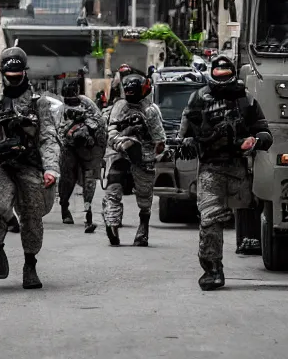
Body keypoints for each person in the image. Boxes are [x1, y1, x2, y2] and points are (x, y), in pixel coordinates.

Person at [178, 55, 272, 291]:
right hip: (210, 167)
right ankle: (213, 270)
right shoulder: (198, 98)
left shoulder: (245, 100)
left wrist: (255, 141)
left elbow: (264, 132)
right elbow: (184, 134)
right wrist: (188, 143)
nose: (222, 82)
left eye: (225, 76)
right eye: (218, 76)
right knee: (210, 219)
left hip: (240, 167)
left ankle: (251, 241)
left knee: (253, 210)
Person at [0, 47, 61, 289]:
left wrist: (50, 169)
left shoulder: (40, 104)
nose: (13, 79)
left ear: (24, 73)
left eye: (17, 74)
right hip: (4, 166)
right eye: (9, 74)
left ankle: (30, 264)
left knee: (32, 215)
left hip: (30, 167)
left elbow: (48, 138)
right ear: (2, 73)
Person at [103, 73, 166, 247]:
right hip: (120, 152)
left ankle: (143, 228)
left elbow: (159, 140)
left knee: (144, 197)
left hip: (143, 157)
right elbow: (111, 132)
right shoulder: (120, 106)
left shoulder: (150, 110)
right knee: (113, 189)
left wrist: (146, 138)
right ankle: (112, 224)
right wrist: (126, 135)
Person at [57, 81, 106, 232]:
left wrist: (84, 125)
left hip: (87, 147)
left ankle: (88, 213)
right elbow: (58, 129)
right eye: (68, 98)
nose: (71, 101)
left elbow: (99, 122)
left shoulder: (87, 103)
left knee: (90, 180)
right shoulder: (60, 108)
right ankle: (64, 207)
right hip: (69, 147)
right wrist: (71, 130)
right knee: (67, 179)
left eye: (73, 97)